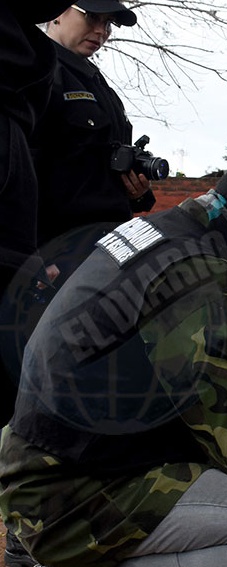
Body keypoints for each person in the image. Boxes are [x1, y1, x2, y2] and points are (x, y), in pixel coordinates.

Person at [0, 156, 227, 567]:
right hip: (76, 494)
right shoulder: (208, 274)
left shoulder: (170, 231)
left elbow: (140, 344)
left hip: (41, 467)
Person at [0, 1, 75, 564]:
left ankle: (25, 534)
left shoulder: (35, 65)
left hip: (27, 257)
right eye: (90, 17)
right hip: (33, 254)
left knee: (29, 403)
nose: (99, 29)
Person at [35, 0, 156, 288]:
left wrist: (136, 191)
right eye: (92, 17)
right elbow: (19, 168)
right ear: (58, 12)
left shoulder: (98, 85)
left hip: (105, 248)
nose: (101, 31)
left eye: (108, 23)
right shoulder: (37, 73)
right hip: (59, 255)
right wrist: (33, 254)